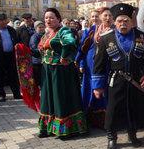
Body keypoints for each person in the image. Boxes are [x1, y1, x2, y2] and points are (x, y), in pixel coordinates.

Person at [93, 4, 144, 149]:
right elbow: (98, 64)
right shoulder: (105, 38)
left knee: (134, 106)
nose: (123, 24)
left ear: (131, 21)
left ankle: (132, 134)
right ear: (115, 21)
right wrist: (97, 86)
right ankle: (111, 137)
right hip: (116, 80)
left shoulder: (142, 36)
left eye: (126, 20)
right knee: (113, 109)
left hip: (137, 80)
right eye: (120, 21)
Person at [37, 8, 87, 138]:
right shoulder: (46, 34)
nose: (48, 20)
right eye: (46, 17)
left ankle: (65, 129)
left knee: (60, 98)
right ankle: (48, 128)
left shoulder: (64, 30)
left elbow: (70, 43)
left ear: (58, 19)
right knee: (47, 98)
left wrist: (64, 56)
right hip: (47, 70)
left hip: (61, 71)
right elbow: (41, 51)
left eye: (52, 17)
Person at [76, 8, 110, 129]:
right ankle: (88, 118)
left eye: (97, 16)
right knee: (89, 90)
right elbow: (82, 48)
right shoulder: (90, 31)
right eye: (93, 16)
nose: (95, 18)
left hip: (104, 65)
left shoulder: (110, 30)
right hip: (89, 66)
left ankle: (104, 120)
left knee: (103, 90)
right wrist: (79, 63)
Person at [29, 20, 45, 87]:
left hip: (43, 60)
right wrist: (44, 51)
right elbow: (34, 49)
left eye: (42, 27)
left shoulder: (44, 35)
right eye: (39, 27)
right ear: (35, 28)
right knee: (38, 79)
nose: (41, 29)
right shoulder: (34, 37)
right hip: (37, 61)